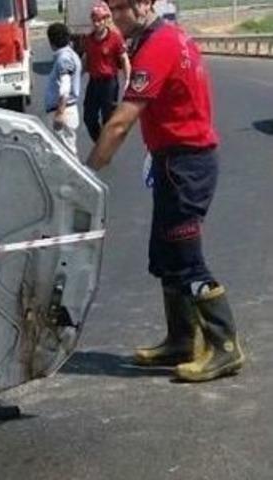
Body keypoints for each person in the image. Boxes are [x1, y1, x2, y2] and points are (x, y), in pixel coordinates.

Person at [87, 0, 244, 382]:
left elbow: (121, 122)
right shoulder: (160, 38)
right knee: (164, 254)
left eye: (120, 8)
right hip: (172, 160)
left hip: (186, 163)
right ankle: (180, 339)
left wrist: (84, 174)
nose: (113, 17)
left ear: (143, 5)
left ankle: (225, 346)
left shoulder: (159, 44)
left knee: (186, 258)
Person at [82, 1, 131, 142]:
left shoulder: (115, 38)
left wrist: (127, 79)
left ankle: (106, 144)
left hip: (109, 83)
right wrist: (77, 74)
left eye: (99, 20)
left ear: (105, 20)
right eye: (94, 20)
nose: (97, 24)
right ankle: (99, 142)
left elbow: (124, 59)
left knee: (108, 117)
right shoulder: (89, 39)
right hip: (94, 82)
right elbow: (86, 59)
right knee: (89, 117)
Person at [45, 23, 83, 156]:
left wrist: (60, 113)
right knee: (65, 153)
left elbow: (65, 86)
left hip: (63, 111)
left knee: (66, 156)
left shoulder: (64, 59)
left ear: (51, 41)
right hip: (66, 110)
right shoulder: (70, 55)